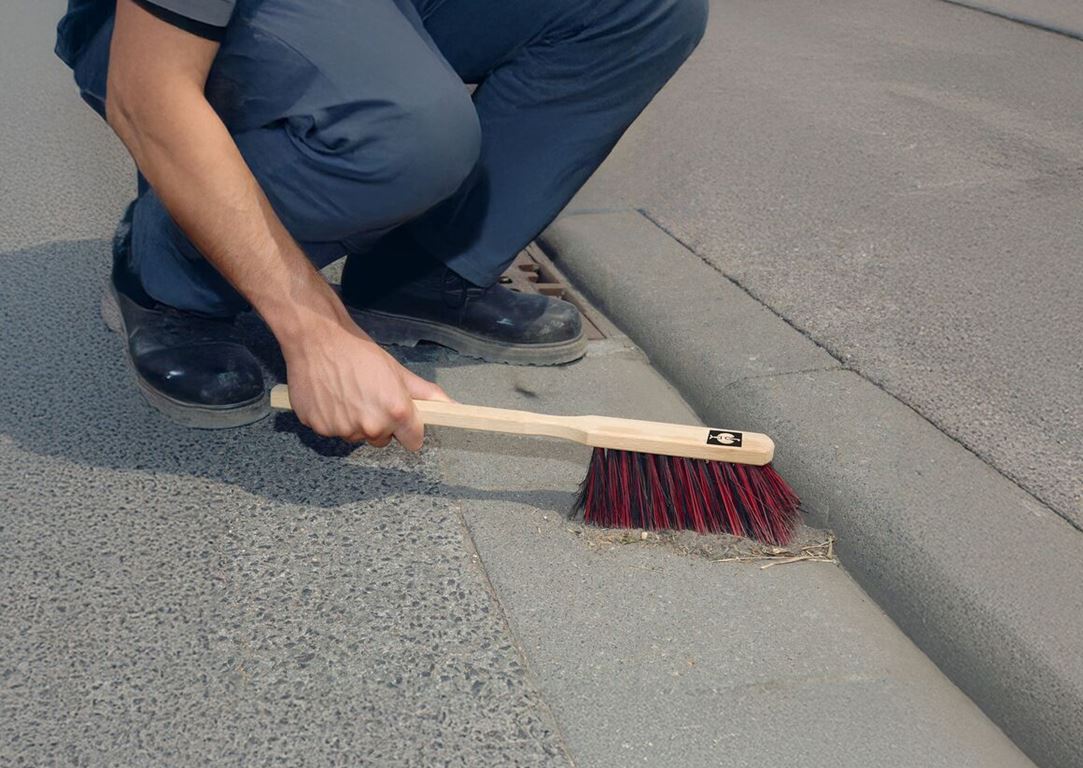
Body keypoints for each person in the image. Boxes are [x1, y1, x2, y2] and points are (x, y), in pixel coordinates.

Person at [56, 0, 708, 449]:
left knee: (645, 7)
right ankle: (166, 271)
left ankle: (419, 272)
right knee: (408, 134)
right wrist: (314, 330)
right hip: (163, 28)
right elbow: (147, 91)